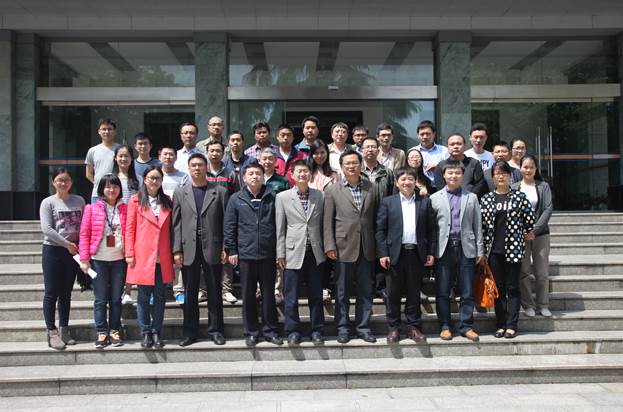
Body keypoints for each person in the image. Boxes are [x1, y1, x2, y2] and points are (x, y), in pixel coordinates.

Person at [172, 153, 229, 347]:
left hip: (213, 246)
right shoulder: (180, 192)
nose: (197, 168)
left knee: (214, 291)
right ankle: (190, 332)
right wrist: (176, 250)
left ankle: (216, 330)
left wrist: (225, 247)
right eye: (193, 165)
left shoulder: (219, 191)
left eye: (200, 165)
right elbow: (176, 224)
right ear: (189, 168)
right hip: (188, 248)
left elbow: (226, 222)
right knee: (190, 293)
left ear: (206, 167)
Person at [224, 163, 282, 347]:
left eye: (258, 173)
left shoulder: (273, 197)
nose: (255, 176)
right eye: (251, 173)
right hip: (246, 254)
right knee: (248, 295)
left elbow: (279, 225)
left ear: (263, 176)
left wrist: (279, 251)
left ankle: (270, 331)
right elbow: (230, 226)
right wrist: (232, 249)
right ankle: (251, 332)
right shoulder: (236, 198)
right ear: (244, 177)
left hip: (268, 253)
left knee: (268, 295)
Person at [324, 150, 378, 344]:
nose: (352, 166)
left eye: (355, 162)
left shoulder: (372, 188)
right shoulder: (332, 190)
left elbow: (376, 217)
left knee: (366, 291)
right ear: (341, 166)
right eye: (348, 163)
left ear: (360, 164)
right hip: (342, 247)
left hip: (367, 247)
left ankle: (363, 327)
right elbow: (327, 221)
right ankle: (343, 328)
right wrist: (329, 245)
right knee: (342, 292)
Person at [376, 167, 435, 343]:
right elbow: (380, 230)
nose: (406, 182)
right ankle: (394, 328)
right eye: (403, 179)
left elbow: (431, 230)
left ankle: (413, 327)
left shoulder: (424, 202)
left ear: (415, 182)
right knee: (392, 293)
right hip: (394, 254)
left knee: (414, 292)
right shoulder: (388, 202)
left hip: (416, 253)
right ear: (396, 182)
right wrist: (383, 253)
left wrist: (430, 252)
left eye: (410, 179)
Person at [430, 161, 485, 342]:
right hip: (444, 248)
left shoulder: (472, 197)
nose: (453, 176)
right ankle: (445, 326)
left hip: (466, 247)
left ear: (462, 175)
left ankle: (466, 326)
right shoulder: (434, 198)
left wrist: (480, 250)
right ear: (444, 175)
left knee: (467, 290)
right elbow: (431, 228)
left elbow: (477, 225)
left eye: (457, 173)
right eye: (450, 173)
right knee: (443, 290)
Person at [481, 161, 535, 339]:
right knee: (498, 289)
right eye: (497, 173)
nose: (501, 176)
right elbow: (482, 226)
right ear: (493, 177)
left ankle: (512, 325)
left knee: (512, 288)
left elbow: (529, 220)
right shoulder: (486, 199)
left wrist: (524, 233)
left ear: (510, 176)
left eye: (504, 173)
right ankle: (500, 324)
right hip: (493, 251)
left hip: (513, 250)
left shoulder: (519, 197)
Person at [276, 160, 326, 345]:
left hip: (315, 252)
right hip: (292, 253)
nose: (303, 174)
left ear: (310, 174)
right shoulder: (282, 197)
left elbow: (323, 224)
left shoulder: (319, 195)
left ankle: (317, 330)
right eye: (299, 171)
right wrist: (280, 253)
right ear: (292, 175)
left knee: (316, 295)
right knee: (291, 297)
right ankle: (292, 331)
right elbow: (280, 227)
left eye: (306, 171)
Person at [125, 166, 174, 349]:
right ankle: (145, 331)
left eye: (158, 178)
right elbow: (129, 229)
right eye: (151, 177)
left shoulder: (167, 201)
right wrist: (129, 253)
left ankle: (156, 331)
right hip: (143, 255)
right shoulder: (135, 200)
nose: (154, 181)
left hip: (162, 255)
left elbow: (171, 229)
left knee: (160, 297)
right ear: (145, 179)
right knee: (143, 297)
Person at [79, 174, 127, 348]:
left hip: (119, 260)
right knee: (100, 299)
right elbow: (84, 234)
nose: (111, 190)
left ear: (120, 189)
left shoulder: (125, 209)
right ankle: (101, 331)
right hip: (98, 260)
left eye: (115, 186)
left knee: (115, 298)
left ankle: (114, 330)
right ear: (101, 189)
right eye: (107, 187)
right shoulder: (92, 209)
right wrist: (84, 259)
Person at [39, 168, 85, 350]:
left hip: (73, 253)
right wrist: (67, 244)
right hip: (53, 251)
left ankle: (64, 329)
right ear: (53, 182)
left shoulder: (79, 200)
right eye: (59, 180)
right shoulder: (47, 202)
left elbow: (84, 225)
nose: (63, 183)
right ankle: (51, 332)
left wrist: (80, 246)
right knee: (51, 292)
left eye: (66, 180)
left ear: (71, 182)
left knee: (66, 293)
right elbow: (47, 229)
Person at [512, 155, 554, 318]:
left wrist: (534, 230)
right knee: (523, 272)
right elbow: (511, 210)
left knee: (542, 272)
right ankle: (528, 304)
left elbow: (548, 208)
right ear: (520, 168)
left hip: (540, 234)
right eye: (525, 167)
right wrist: (522, 230)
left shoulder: (543, 186)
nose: (528, 170)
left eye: (531, 167)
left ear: (536, 169)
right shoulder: (514, 187)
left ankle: (543, 304)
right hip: (520, 235)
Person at [307, 140, 338, 302]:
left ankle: (325, 287)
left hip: (329, 217)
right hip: (310, 217)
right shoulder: (307, 172)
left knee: (327, 252)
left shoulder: (334, 174)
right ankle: (313, 286)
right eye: (316, 153)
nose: (319, 156)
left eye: (322, 152)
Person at [158, 146, 188, 304]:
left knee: (177, 252)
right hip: (157, 219)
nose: (168, 157)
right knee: (158, 255)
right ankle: (157, 288)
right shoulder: (155, 175)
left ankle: (178, 289)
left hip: (177, 218)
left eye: (171, 154)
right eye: (165, 154)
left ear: (176, 158)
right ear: (159, 157)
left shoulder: (183, 176)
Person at [112, 145, 139, 304]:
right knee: (114, 256)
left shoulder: (138, 179)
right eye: (120, 156)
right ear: (115, 158)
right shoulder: (110, 178)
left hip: (133, 223)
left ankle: (127, 291)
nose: (123, 159)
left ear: (131, 158)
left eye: (127, 156)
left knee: (130, 257)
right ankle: (115, 291)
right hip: (114, 223)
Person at [434, 133, 486, 198]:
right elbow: (440, 187)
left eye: (459, 144)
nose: (455, 147)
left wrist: (469, 198)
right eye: (452, 144)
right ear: (447, 147)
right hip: (447, 201)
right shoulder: (441, 165)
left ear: (465, 146)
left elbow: (479, 184)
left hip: (470, 200)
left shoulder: (474, 163)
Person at [85, 118, 120, 203]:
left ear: (115, 131)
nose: (106, 132)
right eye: (104, 129)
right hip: (97, 194)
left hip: (116, 193)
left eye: (109, 129)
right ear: (99, 131)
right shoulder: (92, 151)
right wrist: (100, 184)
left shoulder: (120, 149)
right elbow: (88, 173)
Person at [411, 120, 448, 188]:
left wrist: (438, 168)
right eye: (422, 134)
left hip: (440, 187)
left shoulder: (444, 151)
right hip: (419, 189)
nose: (425, 137)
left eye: (428, 134)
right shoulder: (413, 151)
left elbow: (450, 168)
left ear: (434, 134)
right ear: (418, 135)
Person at [360, 136, 395, 201]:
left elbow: (392, 195)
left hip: (382, 206)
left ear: (378, 151)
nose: (370, 150)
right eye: (367, 147)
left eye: (373, 147)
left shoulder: (387, 172)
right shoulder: (356, 171)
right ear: (362, 151)